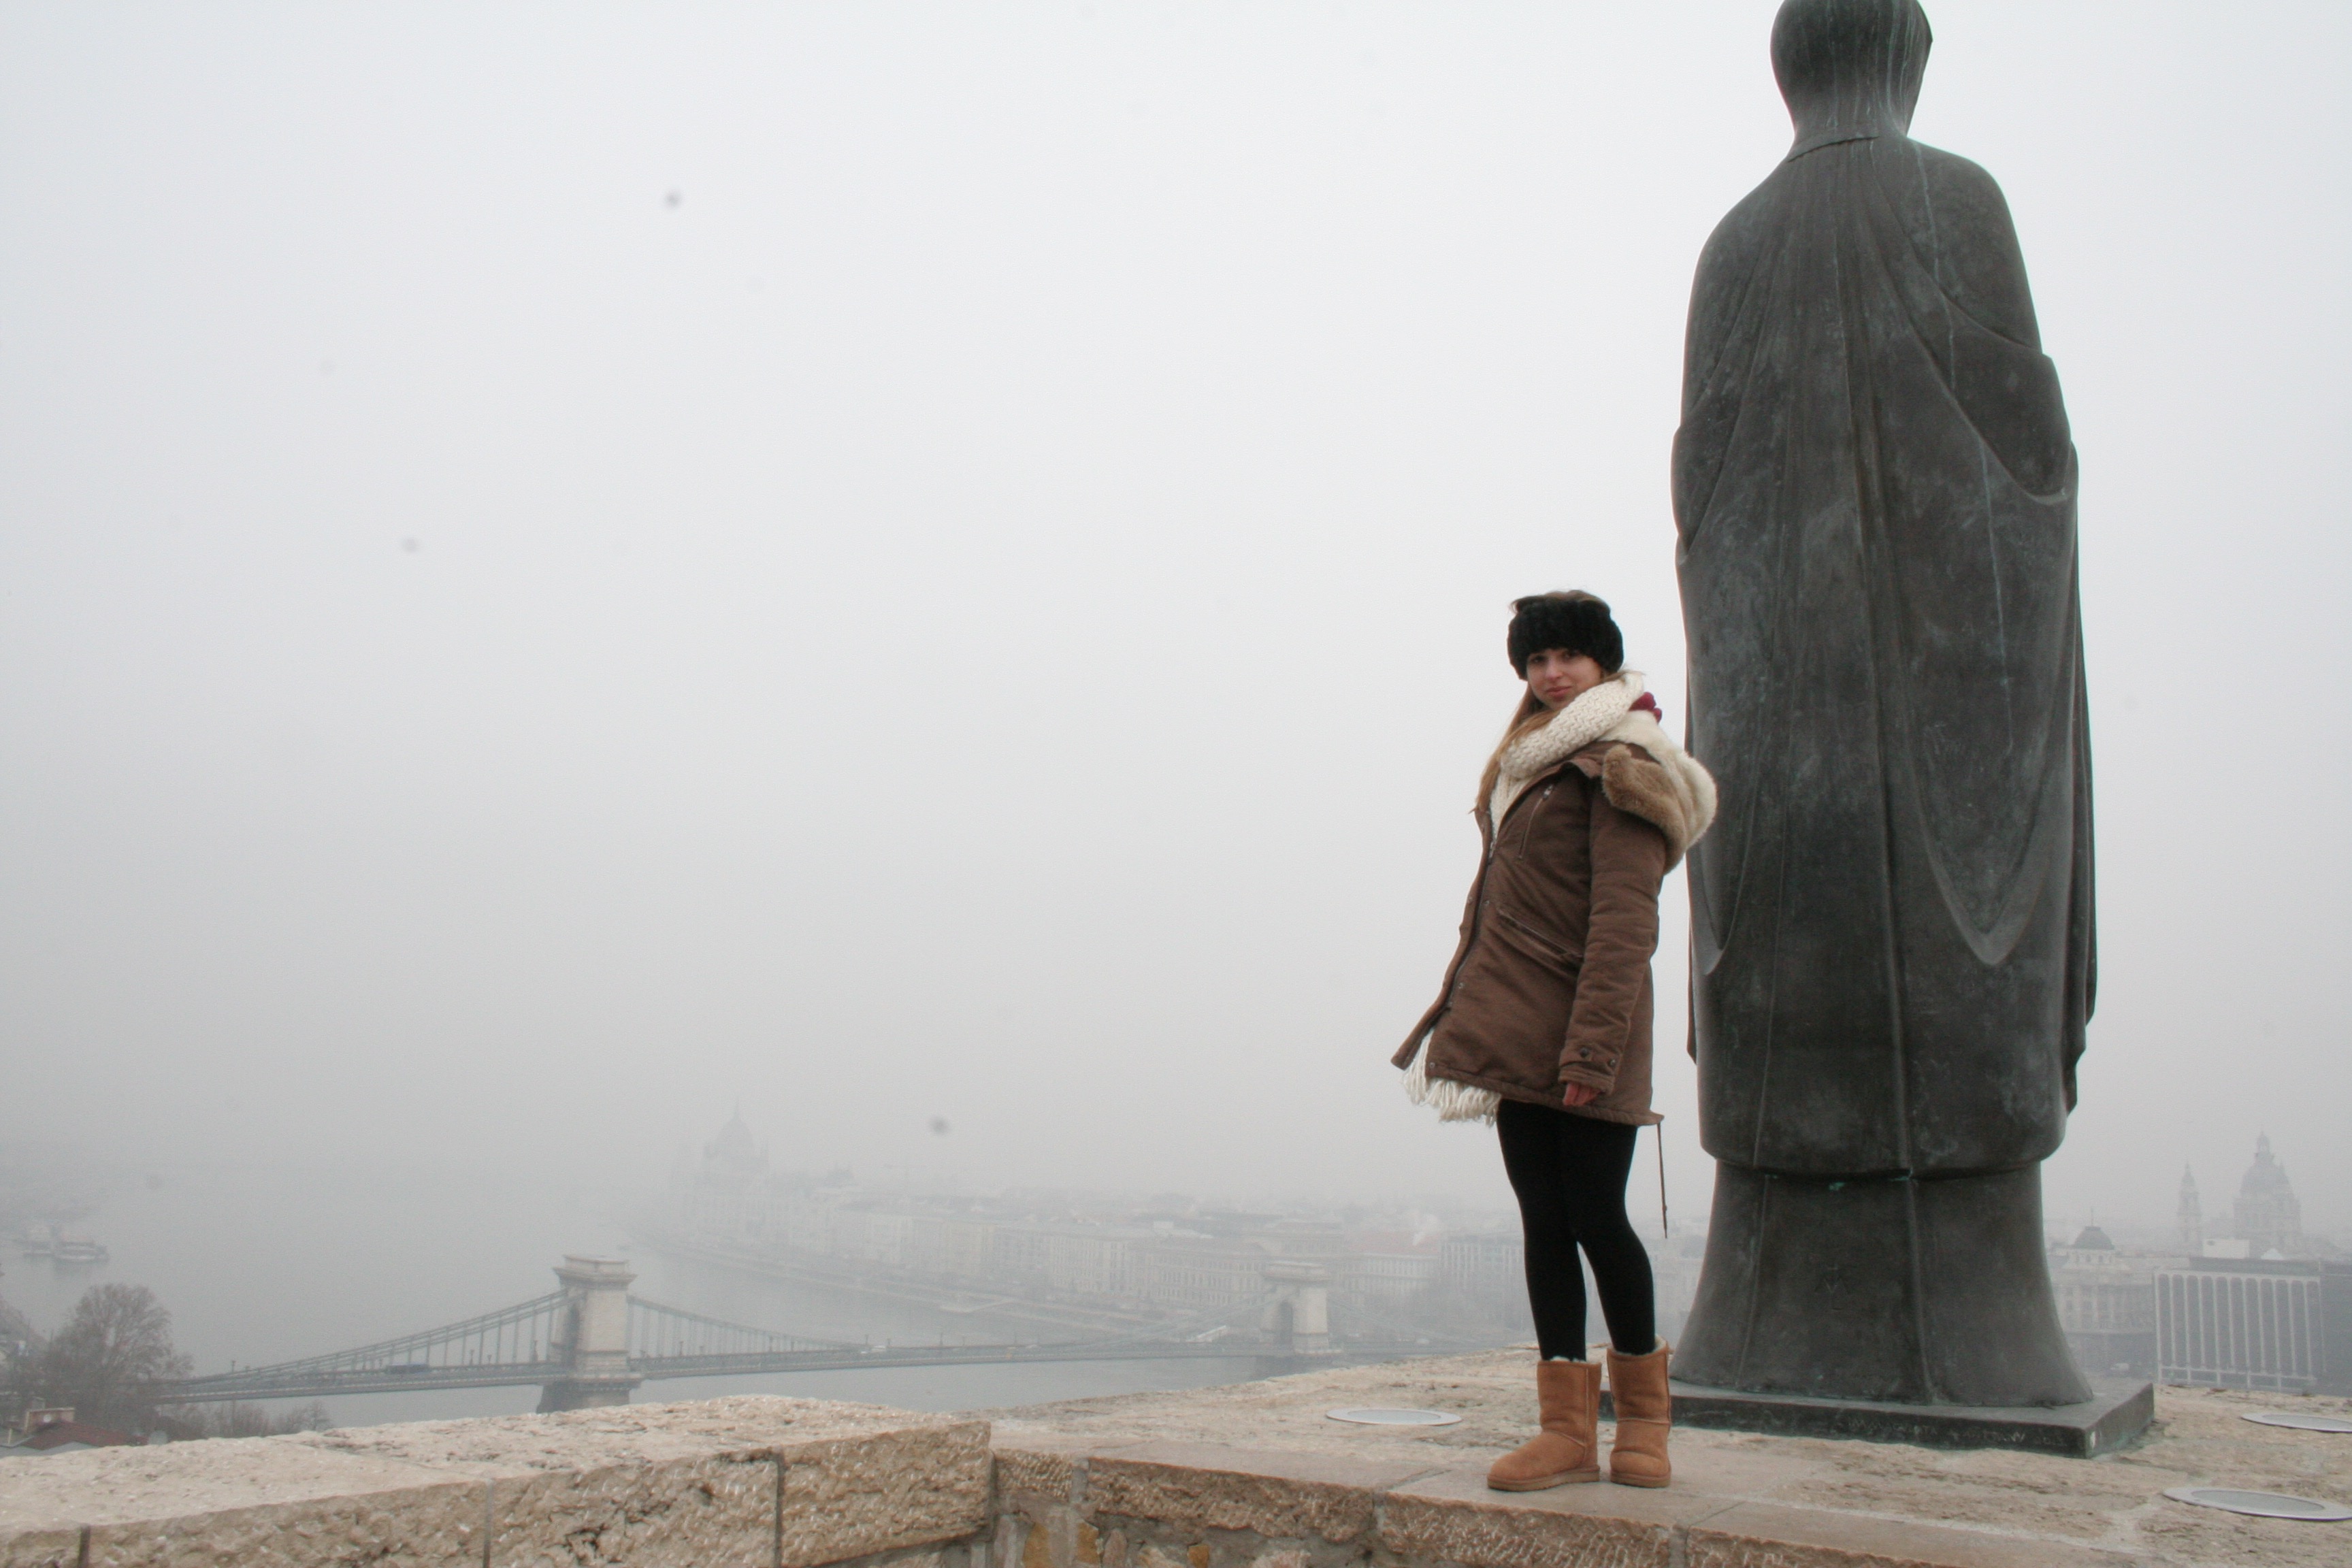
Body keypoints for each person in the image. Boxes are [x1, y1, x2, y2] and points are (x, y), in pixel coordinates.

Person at [1393, 591, 1714, 1491]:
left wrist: (1591, 1054)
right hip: (1516, 1030)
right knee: (1544, 1222)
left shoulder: (1622, 765)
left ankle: (1643, 1426)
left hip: (1589, 1034)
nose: (1551, 674)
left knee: (1599, 1219)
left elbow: (1624, 926)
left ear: (1604, 666)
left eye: (1569, 656)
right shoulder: (1527, 769)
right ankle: (1566, 1434)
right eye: (1536, 661)